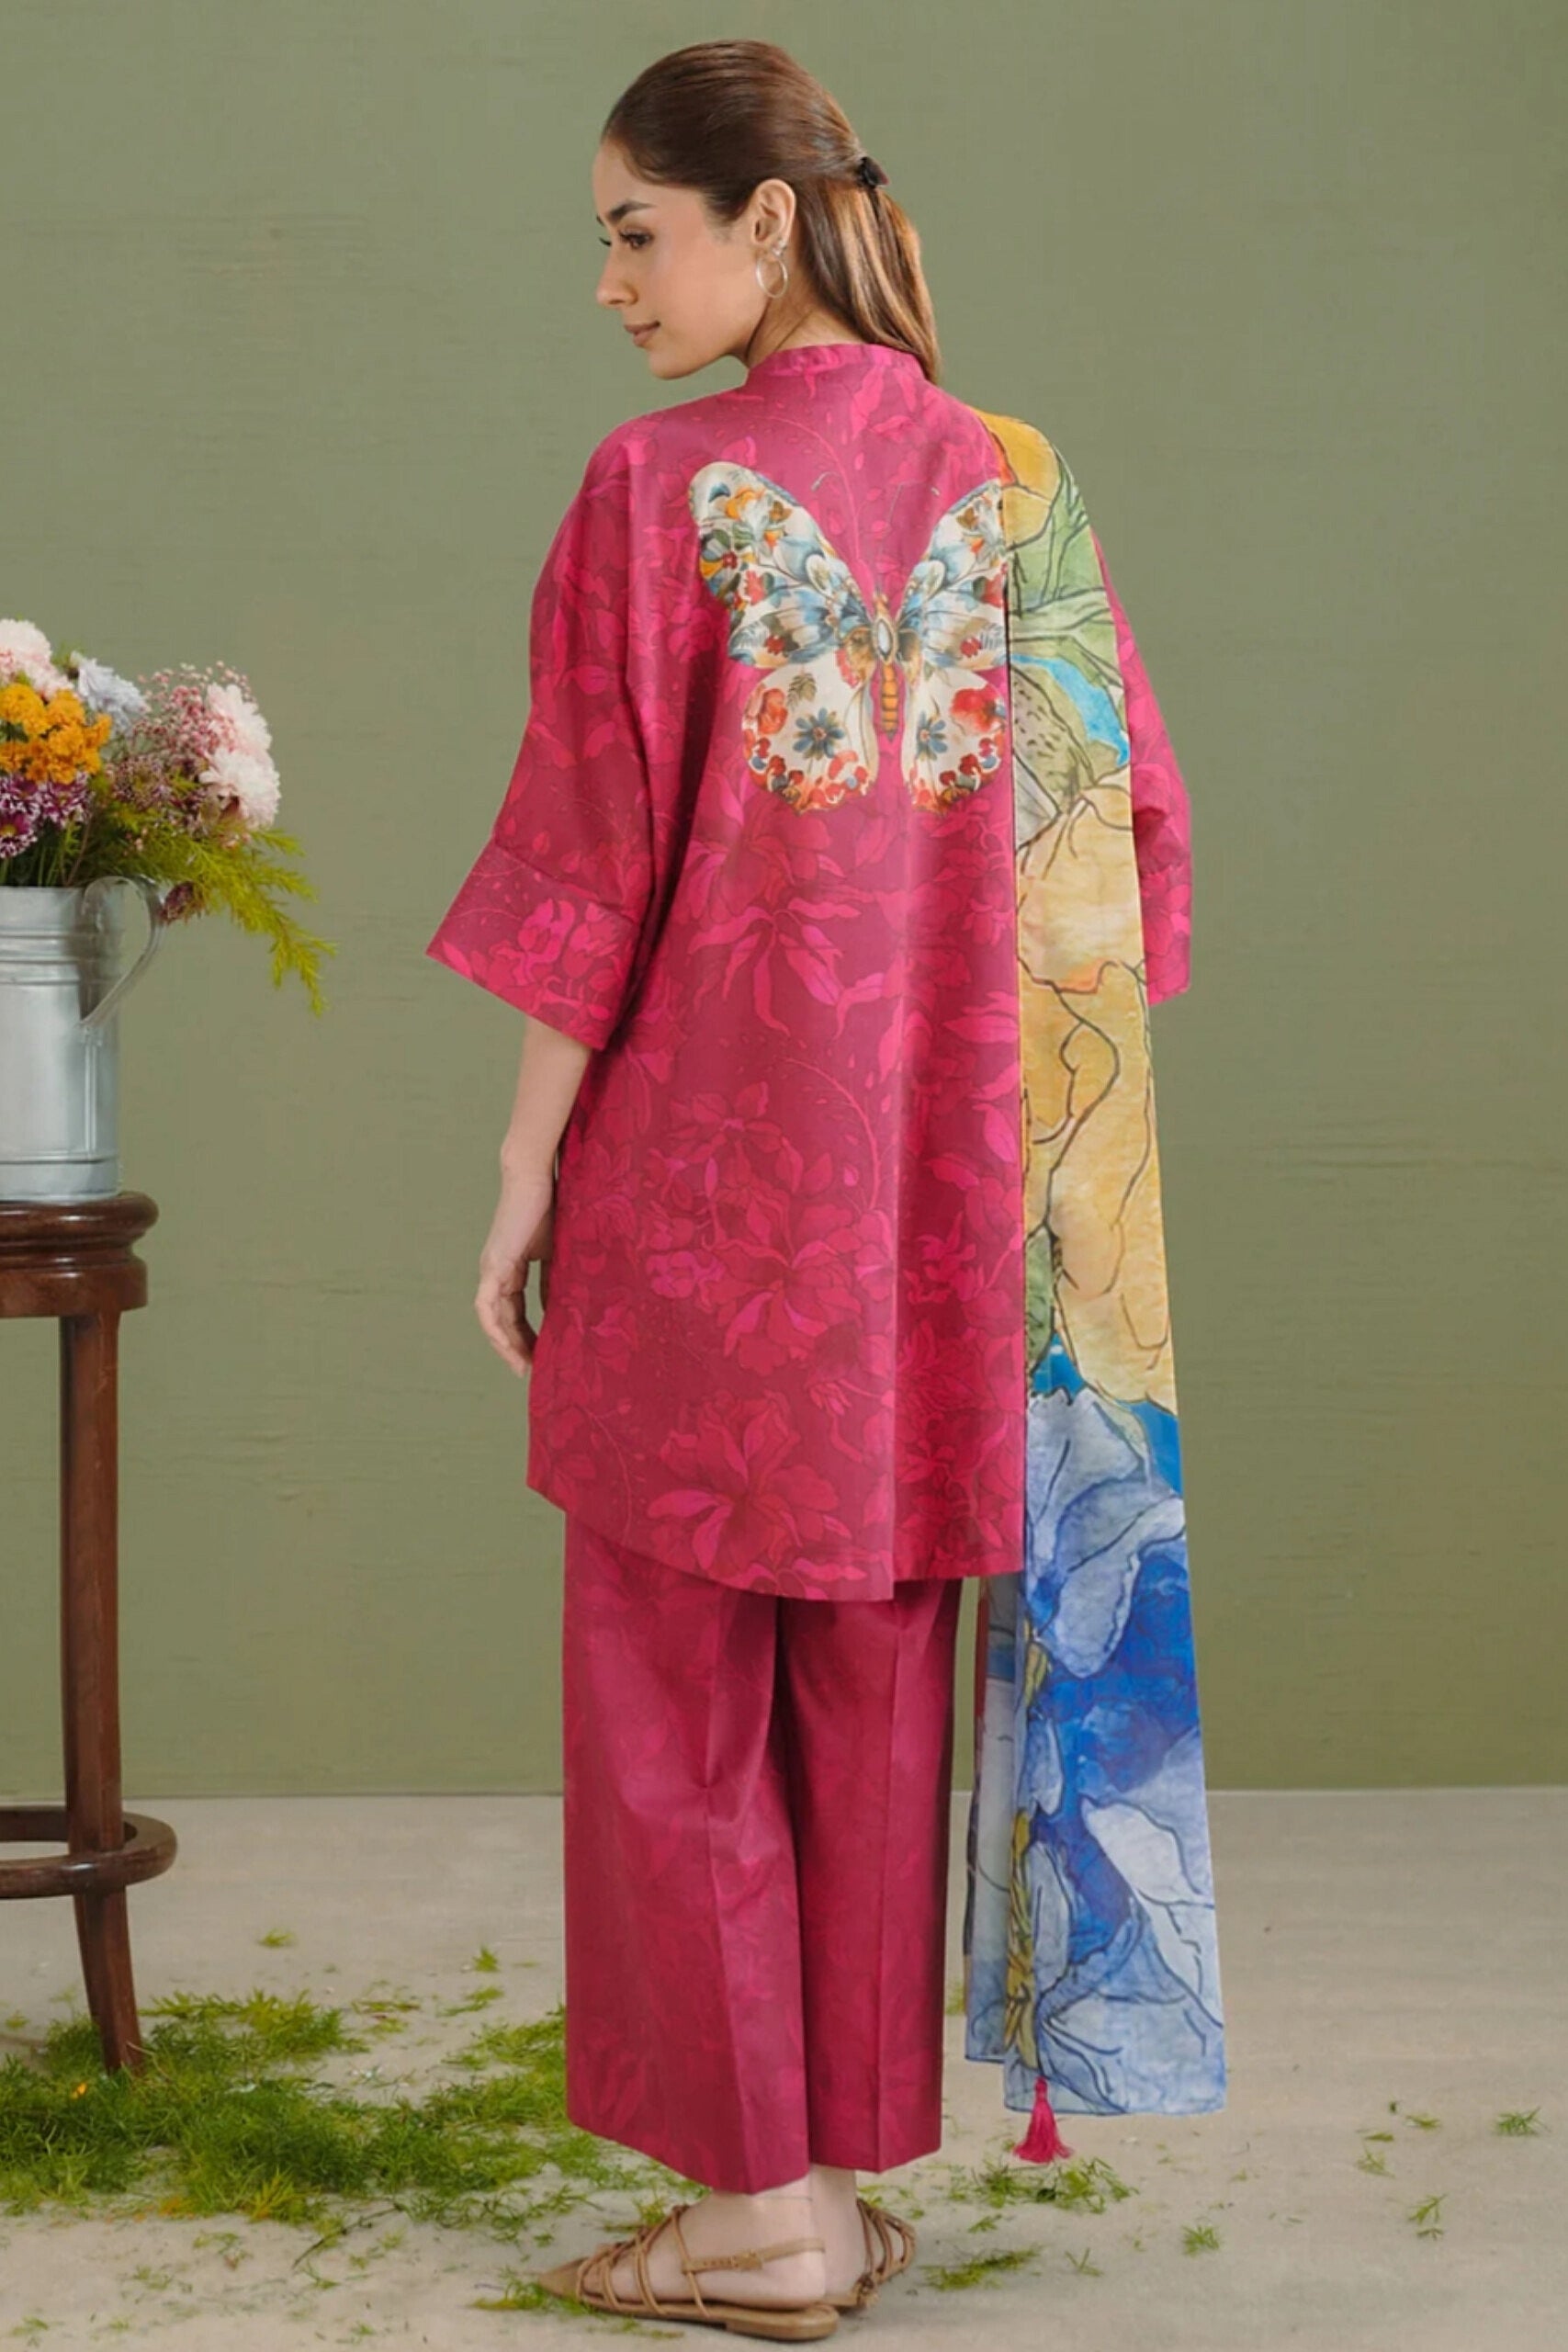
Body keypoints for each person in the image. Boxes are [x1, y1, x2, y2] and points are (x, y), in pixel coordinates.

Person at [424, 38, 1206, 2340]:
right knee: (870, 1678)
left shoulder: (648, 490)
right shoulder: (1018, 487)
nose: (607, 283)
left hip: (704, 1200)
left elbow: (587, 868)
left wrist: (519, 1171)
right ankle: (831, 2189)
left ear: (760, 220)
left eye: (632, 232)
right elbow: (1127, 853)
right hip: (943, 1223)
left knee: (673, 1692)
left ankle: (754, 2215)